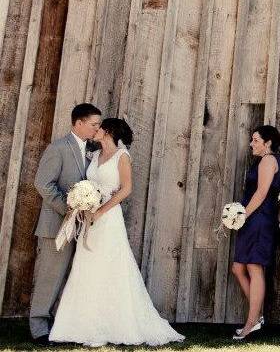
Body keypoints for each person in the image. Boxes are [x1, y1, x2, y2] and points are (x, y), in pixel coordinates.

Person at [48, 118, 184, 347]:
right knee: (86, 267)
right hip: (89, 219)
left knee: (110, 267)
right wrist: (83, 203)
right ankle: (79, 325)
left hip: (108, 218)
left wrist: (101, 210)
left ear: (108, 132)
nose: (95, 130)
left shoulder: (122, 156)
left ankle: (118, 323)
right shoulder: (94, 155)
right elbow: (88, 184)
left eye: (99, 127)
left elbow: (126, 189)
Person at [31, 103, 102, 345]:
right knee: (50, 277)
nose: (97, 129)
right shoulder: (59, 147)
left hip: (82, 229)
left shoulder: (93, 149)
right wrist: (68, 209)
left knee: (73, 278)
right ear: (78, 123)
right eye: (94, 124)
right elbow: (43, 184)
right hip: (56, 227)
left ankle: (63, 325)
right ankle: (39, 328)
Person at [231, 125, 280, 341]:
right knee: (238, 268)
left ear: (267, 142)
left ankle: (251, 322)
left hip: (260, 219)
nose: (251, 144)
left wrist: (242, 215)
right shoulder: (262, 161)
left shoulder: (269, 161)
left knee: (254, 268)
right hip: (253, 219)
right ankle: (258, 315)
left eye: (255, 140)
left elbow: (262, 193)